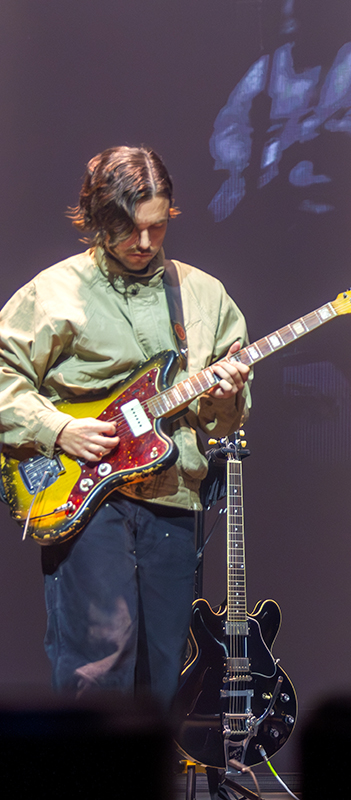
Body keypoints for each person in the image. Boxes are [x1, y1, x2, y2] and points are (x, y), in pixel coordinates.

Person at [0, 146, 251, 707]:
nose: (143, 242)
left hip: (173, 495)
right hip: (89, 497)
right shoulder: (54, 292)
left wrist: (228, 395)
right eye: (128, 229)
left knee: (163, 669)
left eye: (157, 227)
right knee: (99, 660)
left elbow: (226, 419)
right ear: (96, 219)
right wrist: (57, 429)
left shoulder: (204, 295)